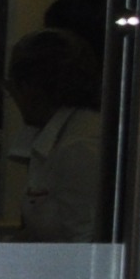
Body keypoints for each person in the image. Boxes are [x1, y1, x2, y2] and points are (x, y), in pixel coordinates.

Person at [10, 25, 105, 240]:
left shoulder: (80, 146)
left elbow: (85, 240)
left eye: (13, 88)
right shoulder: (55, 135)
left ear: (29, 87)